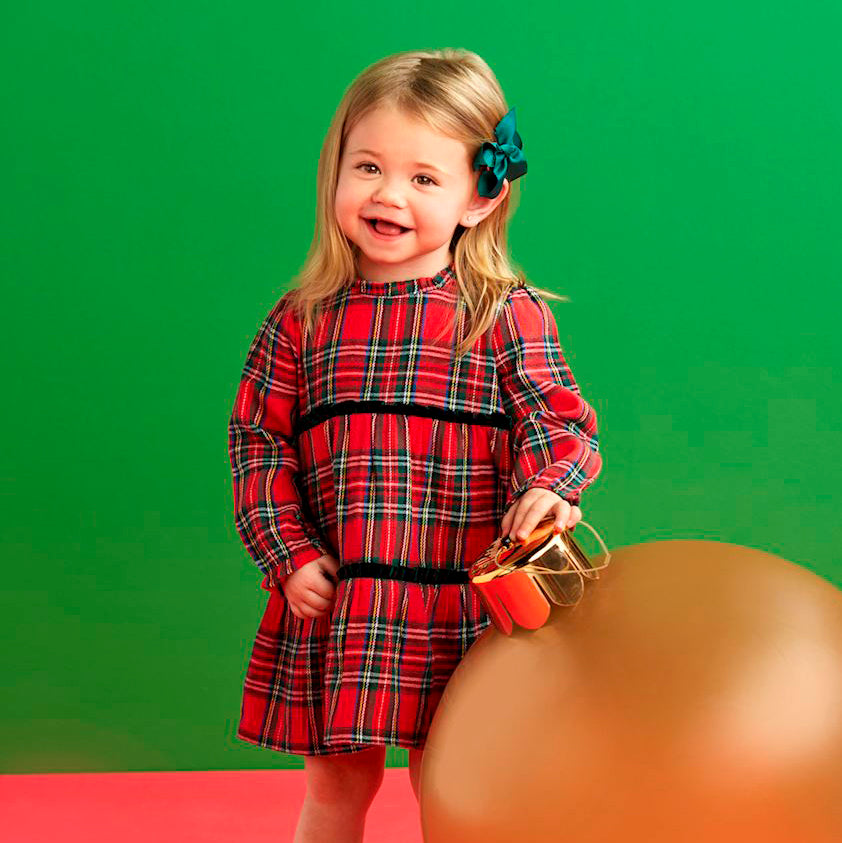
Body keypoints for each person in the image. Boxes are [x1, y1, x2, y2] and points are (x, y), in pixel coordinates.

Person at [227, 48, 603, 843]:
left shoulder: (503, 313)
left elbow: (555, 420)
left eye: (424, 178)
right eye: (367, 167)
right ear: (335, 173)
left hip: (462, 603)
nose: (388, 195)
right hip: (349, 598)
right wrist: (288, 554)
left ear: (481, 193)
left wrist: (552, 485)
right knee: (336, 782)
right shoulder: (302, 320)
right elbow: (258, 447)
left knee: (455, 780)